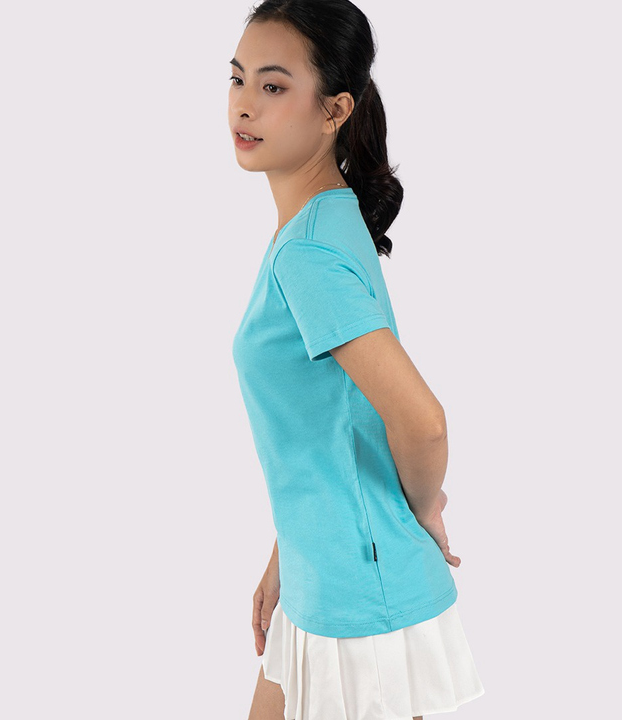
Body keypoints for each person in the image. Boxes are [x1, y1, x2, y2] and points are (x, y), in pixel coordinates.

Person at [228, 1, 485, 718]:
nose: (244, 104)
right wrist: (285, 554)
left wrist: (422, 508)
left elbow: (422, 421)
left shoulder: (309, 252)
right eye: (238, 78)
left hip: (357, 596)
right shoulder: (324, 219)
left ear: (335, 109)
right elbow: (334, 422)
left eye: (273, 86)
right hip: (324, 575)